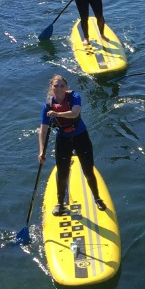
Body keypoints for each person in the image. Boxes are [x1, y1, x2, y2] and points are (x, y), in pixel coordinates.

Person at [38, 74, 106, 216]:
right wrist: (41, 152)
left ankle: (97, 198)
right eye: (56, 86)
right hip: (63, 139)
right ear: (51, 87)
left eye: (62, 85)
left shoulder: (75, 97)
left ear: (66, 87)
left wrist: (56, 114)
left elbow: (75, 114)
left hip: (80, 137)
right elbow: (43, 130)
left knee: (88, 171)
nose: (59, 88)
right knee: (62, 175)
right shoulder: (48, 106)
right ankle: (60, 203)